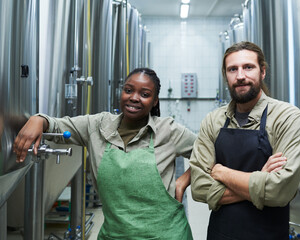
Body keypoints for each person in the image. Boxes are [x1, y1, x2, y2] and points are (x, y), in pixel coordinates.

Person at [13, 68, 196, 239]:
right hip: (115, 234)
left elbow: (210, 152)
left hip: (167, 234)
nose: (134, 98)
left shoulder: (168, 130)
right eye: (128, 90)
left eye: (145, 94)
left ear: (155, 100)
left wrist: (183, 181)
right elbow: (58, 126)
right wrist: (39, 119)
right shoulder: (98, 125)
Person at [189, 41, 300, 239]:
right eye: (232, 69)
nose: (240, 76)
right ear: (225, 76)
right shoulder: (213, 120)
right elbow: (199, 187)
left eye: (248, 67)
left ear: (262, 72)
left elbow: (280, 190)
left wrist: (222, 172)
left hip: (268, 233)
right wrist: (261, 178)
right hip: (221, 234)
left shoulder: (287, 117)